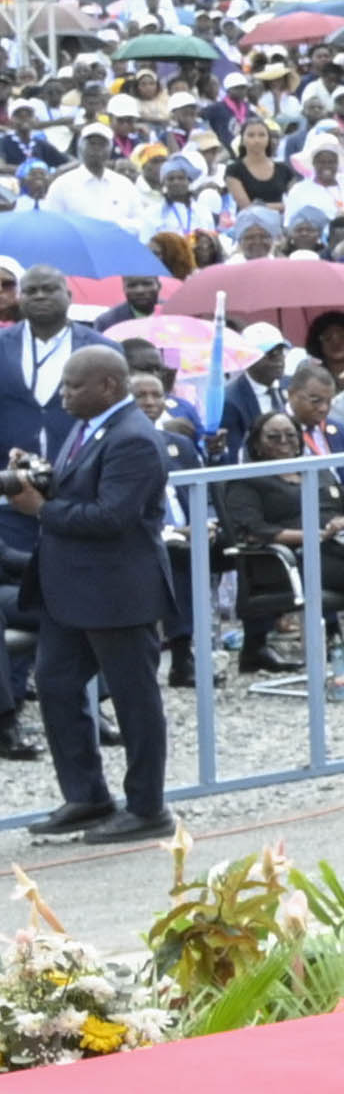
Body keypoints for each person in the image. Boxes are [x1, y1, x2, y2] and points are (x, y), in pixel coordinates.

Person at [12, 340, 172, 842]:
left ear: (108, 386)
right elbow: (80, 486)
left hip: (118, 591)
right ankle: (87, 796)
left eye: (73, 386)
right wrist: (43, 472)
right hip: (70, 591)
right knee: (57, 688)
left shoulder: (134, 438)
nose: (63, 395)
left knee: (134, 701)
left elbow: (111, 517)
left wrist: (40, 509)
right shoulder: (88, 425)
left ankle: (147, 808)